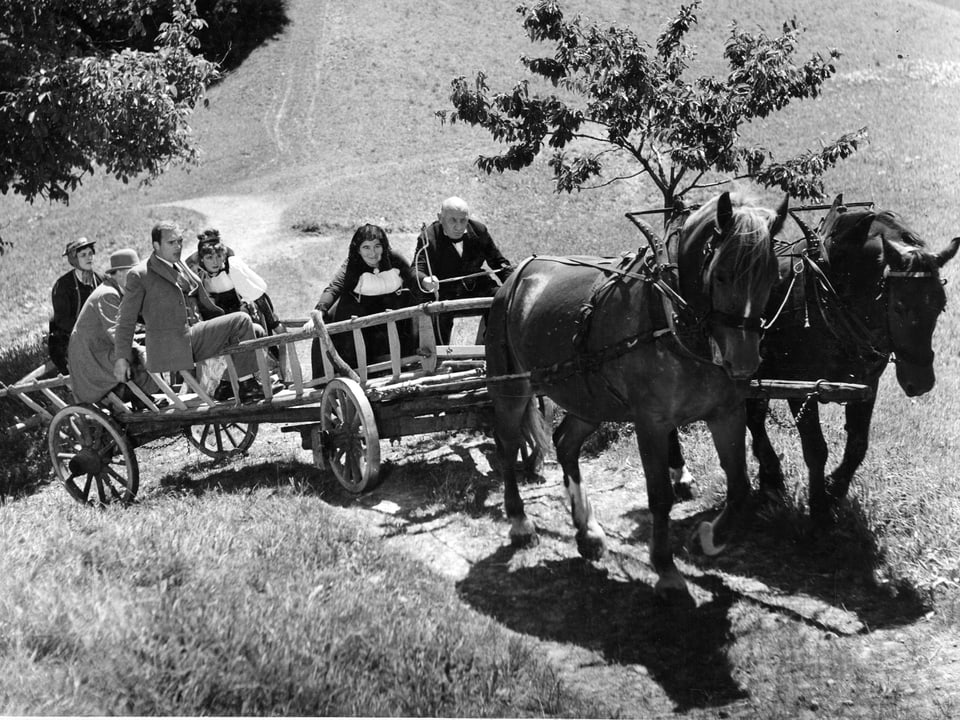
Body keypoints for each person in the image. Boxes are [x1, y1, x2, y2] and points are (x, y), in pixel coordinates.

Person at [113, 221, 264, 402]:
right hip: (174, 343)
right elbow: (125, 320)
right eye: (171, 242)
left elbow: (203, 303)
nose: (178, 246)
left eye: (180, 241)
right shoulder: (140, 274)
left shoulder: (178, 264)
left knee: (255, 330)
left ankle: (226, 385)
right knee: (240, 321)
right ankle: (247, 387)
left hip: (193, 335)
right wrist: (121, 358)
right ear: (156, 245)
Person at [310, 223, 418, 377]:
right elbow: (334, 287)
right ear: (358, 249)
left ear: (384, 246)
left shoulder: (394, 259)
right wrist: (319, 310)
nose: (372, 253)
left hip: (392, 325)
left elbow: (413, 278)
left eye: (377, 246)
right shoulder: (352, 265)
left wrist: (427, 282)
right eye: (366, 247)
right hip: (363, 328)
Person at [413, 196, 513, 343]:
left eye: (463, 220)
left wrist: (514, 282)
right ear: (440, 218)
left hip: (476, 288)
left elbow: (499, 263)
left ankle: (489, 349)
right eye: (452, 220)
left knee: (500, 298)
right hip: (445, 294)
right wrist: (425, 280)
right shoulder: (429, 237)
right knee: (436, 310)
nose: (459, 226)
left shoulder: (479, 230)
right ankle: (442, 359)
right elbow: (416, 269)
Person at [68, 249, 157, 404]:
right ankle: (140, 397)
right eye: (134, 273)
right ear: (120, 274)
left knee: (145, 349)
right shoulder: (107, 294)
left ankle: (146, 395)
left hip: (100, 350)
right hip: (92, 358)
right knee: (134, 355)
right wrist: (141, 351)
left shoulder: (120, 291)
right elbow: (117, 333)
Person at [194, 229, 283, 338]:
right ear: (202, 259)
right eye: (209, 258)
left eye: (219, 256)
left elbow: (257, 296)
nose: (215, 262)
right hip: (222, 322)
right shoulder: (199, 274)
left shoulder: (232, 267)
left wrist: (274, 323)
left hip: (245, 317)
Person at [48, 237, 104, 375]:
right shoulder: (62, 286)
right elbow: (62, 321)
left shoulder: (99, 279)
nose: (89, 258)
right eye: (83, 255)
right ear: (73, 259)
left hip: (98, 334)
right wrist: (88, 330)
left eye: (90, 253)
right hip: (69, 338)